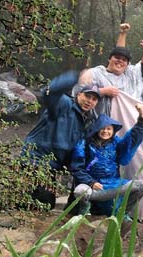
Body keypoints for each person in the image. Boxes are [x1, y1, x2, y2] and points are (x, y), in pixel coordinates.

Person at [21, 71, 99, 208]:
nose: (89, 101)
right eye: (87, 96)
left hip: (51, 167)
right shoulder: (63, 104)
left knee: (44, 204)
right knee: (39, 204)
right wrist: (76, 77)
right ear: (78, 94)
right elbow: (49, 91)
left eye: (94, 99)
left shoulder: (86, 121)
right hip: (36, 161)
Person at [69, 104, 143, 217]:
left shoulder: (116, 143)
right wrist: (91, 182)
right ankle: (85, 210)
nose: (105, 131)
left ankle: (122, 213)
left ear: (113, 131)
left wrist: (141, 120)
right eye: (102, 128)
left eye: (108, 129)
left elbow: (132, 139)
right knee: (80, 191)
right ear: (97, 129)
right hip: (93, 188)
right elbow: (76, 168)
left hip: (114, 186)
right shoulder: (84, 144)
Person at [78, 23, 143, 115]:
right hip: (98, 125)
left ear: (127, 64)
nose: (120, 61)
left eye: (124, 60)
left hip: (125, 124)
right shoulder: (96, 73)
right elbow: (81, 92)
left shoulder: (129, 75)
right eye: (117, 58)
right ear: (109, 59)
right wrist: (103, 91)